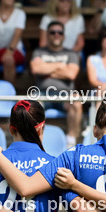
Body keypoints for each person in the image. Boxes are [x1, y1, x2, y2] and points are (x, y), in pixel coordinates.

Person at [31, 20, 83, 149]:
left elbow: (71, 74)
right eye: (53, 32)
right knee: (32, 105)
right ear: (47, 35)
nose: (56, 35)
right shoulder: (39, 52)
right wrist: (60, 66)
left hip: (65, 95)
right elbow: (36, 69)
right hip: (42, 94)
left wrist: (47, 70)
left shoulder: (71, 54)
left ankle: (71, 141)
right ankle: (34, 143)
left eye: (60, 32)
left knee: (76, 101)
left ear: (64, 35)